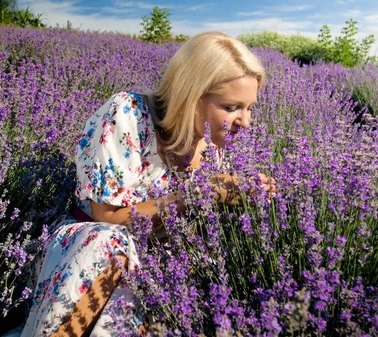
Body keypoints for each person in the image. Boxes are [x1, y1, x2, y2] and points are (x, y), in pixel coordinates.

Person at [18, 31, 276, 337]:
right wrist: (198, 193)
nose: (245, 122)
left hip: (152, 266)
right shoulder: (128, 114)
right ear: (192, 95)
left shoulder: (213, 151)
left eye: (250, 108)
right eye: (232, 107)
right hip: (86, 256)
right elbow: (108, 217)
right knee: (108, 240)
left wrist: (246, 195)